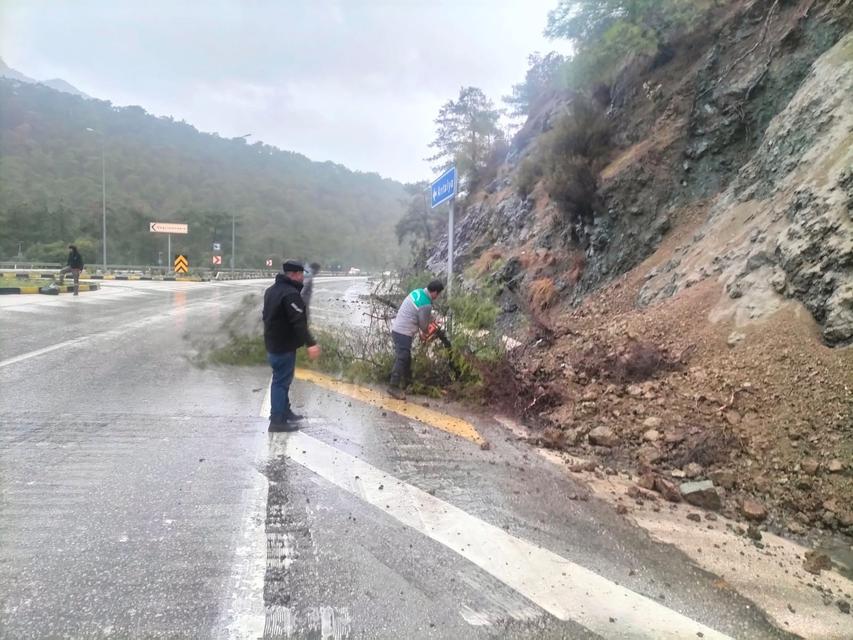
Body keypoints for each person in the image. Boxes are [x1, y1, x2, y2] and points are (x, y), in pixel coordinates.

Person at [262, 260, 321, 432]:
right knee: (280, 382)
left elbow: (266, 316)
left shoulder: (271, 291)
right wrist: (311, 344)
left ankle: (285, 412)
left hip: (273, 343)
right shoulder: (290, 295)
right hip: (283, 346)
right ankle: (277, 421)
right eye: (301, 274)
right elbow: (298, 323)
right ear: (294, 274)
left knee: (283, 380)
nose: (303, 278)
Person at [388, 280, 444, 400]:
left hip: (397, 329)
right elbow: (423, 325)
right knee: (403, 357)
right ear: (434, 292)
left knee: (406, 358)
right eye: (438, 295)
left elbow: (422, 314)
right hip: (403, 332)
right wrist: (428, 333)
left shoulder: (418, 292)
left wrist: (434, 319)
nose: (438, 297)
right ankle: (393, 386)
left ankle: (408, 384)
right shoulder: (426, 304)